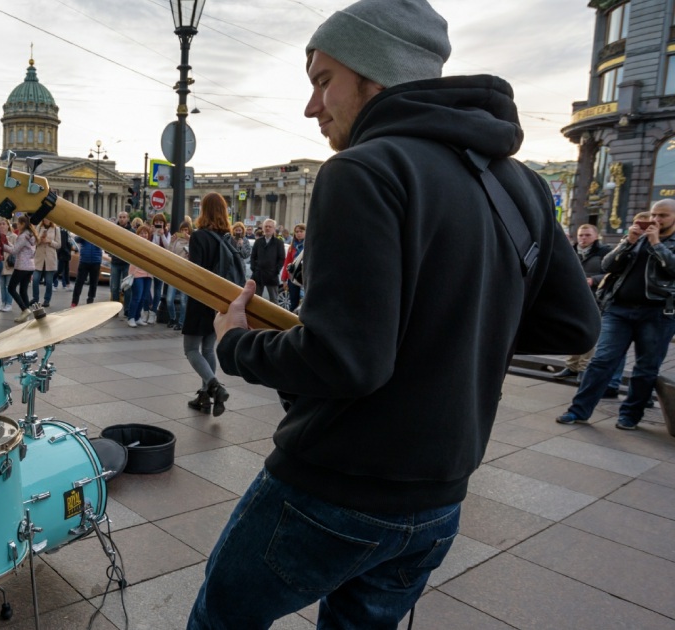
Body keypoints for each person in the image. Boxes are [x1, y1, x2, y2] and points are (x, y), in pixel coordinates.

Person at [189, 1, 600, 627]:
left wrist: (235, 344)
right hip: (439, 498)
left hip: (334, 485)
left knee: (222, 618)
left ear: (374, 77)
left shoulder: (363, 170)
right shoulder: (518, 183)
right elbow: (575, 327)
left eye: (324, 81)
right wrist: (454, 331)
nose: (312, 106)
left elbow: (345, 359)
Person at [557, 200, 675, 430]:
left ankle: (630, 415)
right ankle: (578, 411)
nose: (656, 220)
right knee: (601, 360)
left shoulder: (662, 241)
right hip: (619, 309)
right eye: (653, 214)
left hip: (658, 312)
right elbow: (608, 264)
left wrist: (656, 243)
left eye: (663, 216)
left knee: (645, 368)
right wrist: (628, 242)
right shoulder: (636, 238)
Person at [182, 194, 233, 416]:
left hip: (200, 299)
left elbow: (196, 272)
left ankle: (214, 386)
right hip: (220, 301)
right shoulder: (228, 237)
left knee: (191, 349)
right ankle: (204, 397)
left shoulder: (199, 236)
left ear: (203, 210)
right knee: (208, 349)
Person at [554, 223, 613, 380]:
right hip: (573, 297)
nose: (583, 238)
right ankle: (571, 367)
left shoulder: (605, 252)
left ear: (596, 236)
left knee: (588, 333)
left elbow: (612, 274)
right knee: (573, 332)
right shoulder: (570, 250)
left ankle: (583, 368)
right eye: (581, 235)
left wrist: (594, 280)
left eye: (587, 235)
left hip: (594, 298)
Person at [7, 215, 38, 323]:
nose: (17, 225)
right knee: (23, 290)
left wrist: (2, 246)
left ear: (23, 224)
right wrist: (8, 243)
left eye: (19, 223)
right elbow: (18, 247)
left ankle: (24, 309)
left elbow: (14, 251)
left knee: (11, 288)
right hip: (30, 266)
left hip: (22, 266)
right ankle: (26, 314)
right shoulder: (31, 235)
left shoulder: (23, 236)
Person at [127, 223, 155, 327]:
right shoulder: (135, 244)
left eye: (145, 233)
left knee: (143, 297)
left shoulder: (151, 245)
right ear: (137, 234)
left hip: (148, 274)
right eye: (141, 233)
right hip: (137, 273)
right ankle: (131, 317)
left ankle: (138, 317)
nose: (144, 235)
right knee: (137, 296)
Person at [250, 219, 285, 302]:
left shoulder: (278, 243)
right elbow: (253, 256)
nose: (268, 228)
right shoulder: (258, 242)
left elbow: (281, 259)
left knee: (274, 300)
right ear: (263, 228)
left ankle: (273, 315)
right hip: (258, 274)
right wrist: (254, 269)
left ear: (274, 229)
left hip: (272, 275)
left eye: (270, 227)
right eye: (266, 226)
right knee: (256, 300)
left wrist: (276, 270)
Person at [166, 220, 192, 330]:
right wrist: (171, 242)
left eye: (186, 230)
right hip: (175, 272)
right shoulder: (176, 241)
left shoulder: (192, 240)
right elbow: (170, 254)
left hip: (185, 273)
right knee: (169, 299)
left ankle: (181, 322)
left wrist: (190, 240)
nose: (184, 232)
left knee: (183, 301)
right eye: (182, 230)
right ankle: (172, 318)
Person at [32, 217, 60, 308]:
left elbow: (59, 245)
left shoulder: (56, 229)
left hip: (50, 257)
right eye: (45, 218)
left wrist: (49, 241)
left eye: (48, 218)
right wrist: (40, 239)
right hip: (39, 258)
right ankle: (35, 299)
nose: (46, 220)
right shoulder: (38, 228)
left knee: (48, 281)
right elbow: (34, 243)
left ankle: (47, 300)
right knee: (35, 279)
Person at [109, 211, 134, 310]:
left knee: (127, 288)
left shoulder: (132, 231)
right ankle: (115, 309)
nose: (122, 219)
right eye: (120, 217)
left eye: (124, 217)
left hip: (127, 263)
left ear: (128, 219)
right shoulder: (114, 230)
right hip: (115, 262)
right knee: (114, 288)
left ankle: (127, 309)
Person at [149, 214, 170, 324]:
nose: (159, 224)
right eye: (157, 222)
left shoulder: (166, 233)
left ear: (164, 223)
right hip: (150, 263)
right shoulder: (151, 232)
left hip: (161, 263)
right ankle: (148, 308)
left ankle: (153, 312)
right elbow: (150, 246)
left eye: (161, 222)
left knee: (157, 288)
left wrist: (162, 236)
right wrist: (152, 234)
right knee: (146, 288)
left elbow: (168, 247)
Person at [71, 233, 103, 308]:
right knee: (79, 282)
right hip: (84, 261)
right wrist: (83, 235)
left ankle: (90, 301)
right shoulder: (85, 231)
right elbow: (76, 239)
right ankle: (74, 302)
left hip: (96, 261)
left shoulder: (99, 233)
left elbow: (104, 244)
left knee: (93, 283)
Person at [282, 223, 306, 312]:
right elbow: (287, 263)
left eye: (301, 231)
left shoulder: (308, 246)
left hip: (305, 278)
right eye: (297, 232)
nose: (299, 233)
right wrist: (284, 279)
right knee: (293, 303)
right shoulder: (292, 247)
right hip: (293, 278)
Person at [55, 226, 73, 291]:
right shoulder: (63, 231)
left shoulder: (66, 232)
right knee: (60, 270)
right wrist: (68, 252)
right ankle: (51, 282)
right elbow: (63, 245)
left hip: (65, 254)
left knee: (66, 270)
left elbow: (68, 243)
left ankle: (67, 285)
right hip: (63, 254)